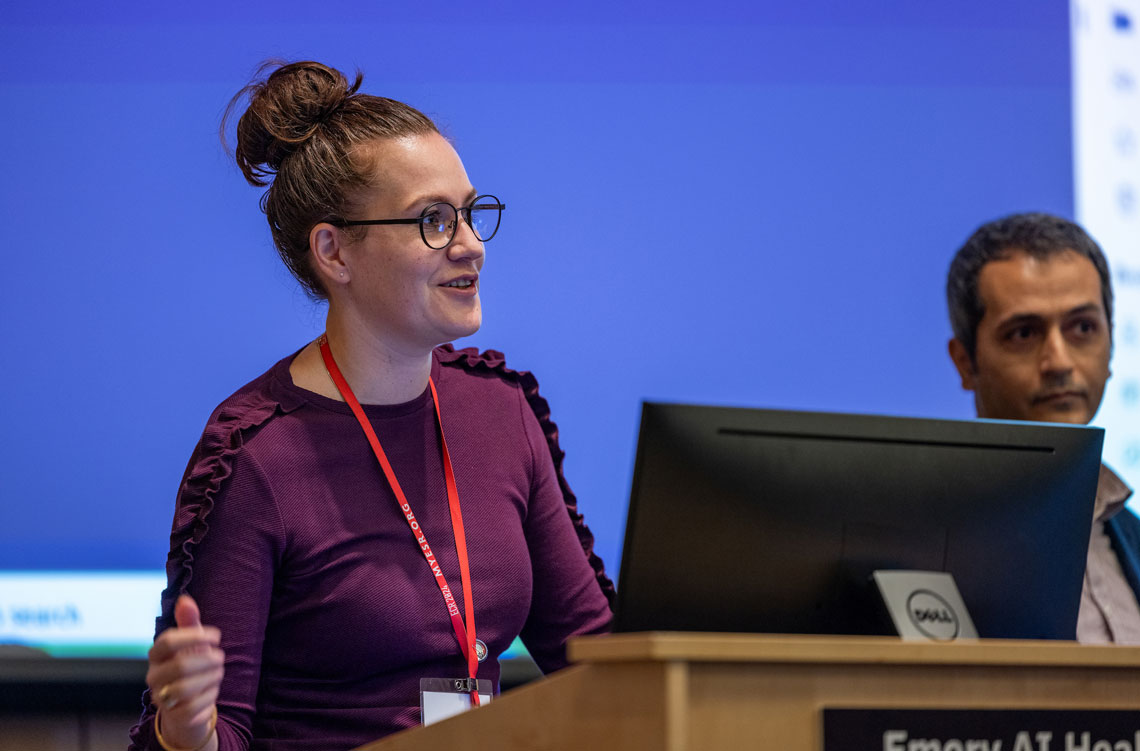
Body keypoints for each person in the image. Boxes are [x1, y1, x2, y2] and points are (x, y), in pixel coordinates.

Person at [128, 60, 615, 751]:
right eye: (434, 221)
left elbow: (597, 656)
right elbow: (218, 730)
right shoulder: (258, 455)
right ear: (334, 251)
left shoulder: (502, 414)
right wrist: (188, 730)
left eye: (472, 213)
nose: (471, 244)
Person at [946, 211, 1140, 644]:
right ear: (965, 362)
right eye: (1023, 334)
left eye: (1083, 328)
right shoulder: (926, 538)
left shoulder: (1132, 537)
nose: (1059, 362)